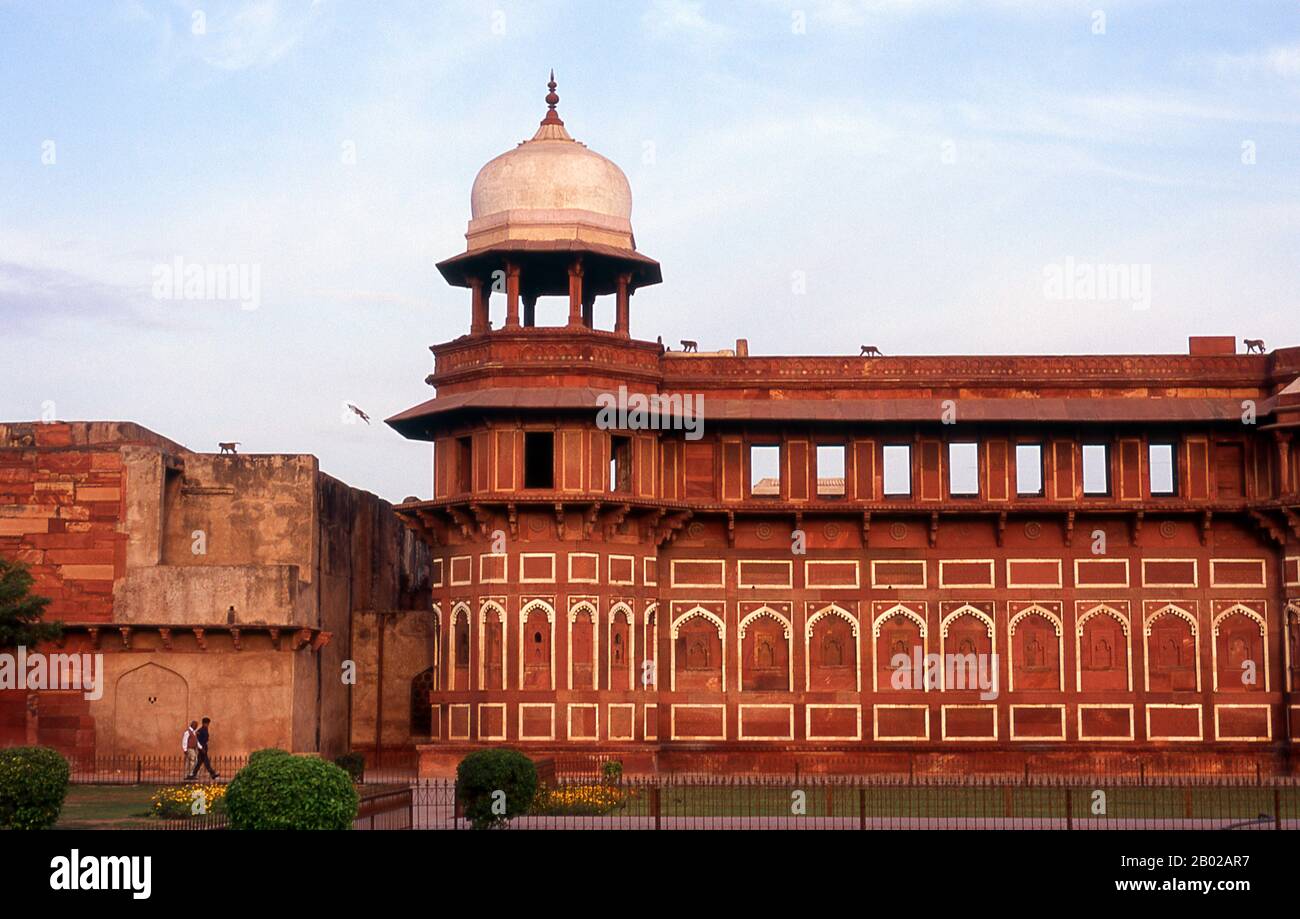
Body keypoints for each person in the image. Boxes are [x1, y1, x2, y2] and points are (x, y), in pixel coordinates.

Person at [188, 716, 219, 781]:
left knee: (199, 762)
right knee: (206, 761)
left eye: (208, 724)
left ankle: (193, 774)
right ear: (204, 723)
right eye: (207, 723)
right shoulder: (201, 730)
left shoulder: (205, 729)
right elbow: (198, 740)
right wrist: (201, 748)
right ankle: (212, 773)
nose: (207, 725)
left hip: (204, 747)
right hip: (202, 748)